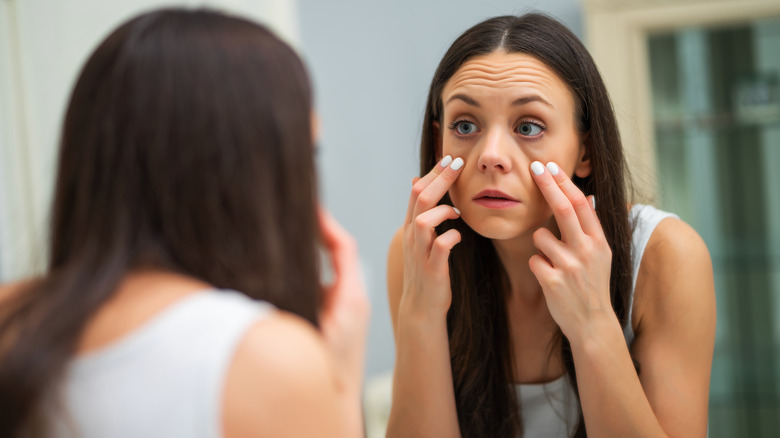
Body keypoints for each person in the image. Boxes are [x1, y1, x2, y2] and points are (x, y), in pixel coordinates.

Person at [0, 8, 368, 438]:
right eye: (308, 153)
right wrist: (339, 377)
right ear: (262, 171)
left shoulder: (11, 319)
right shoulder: (266, 359)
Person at [387, 13, 715, 438]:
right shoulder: (418, 253)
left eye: (529, 127)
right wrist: (421, 316)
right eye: (464, 126)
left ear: (586, 151)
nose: (491, 155)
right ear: (439, 144)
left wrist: (593, 323)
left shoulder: (665, 256)